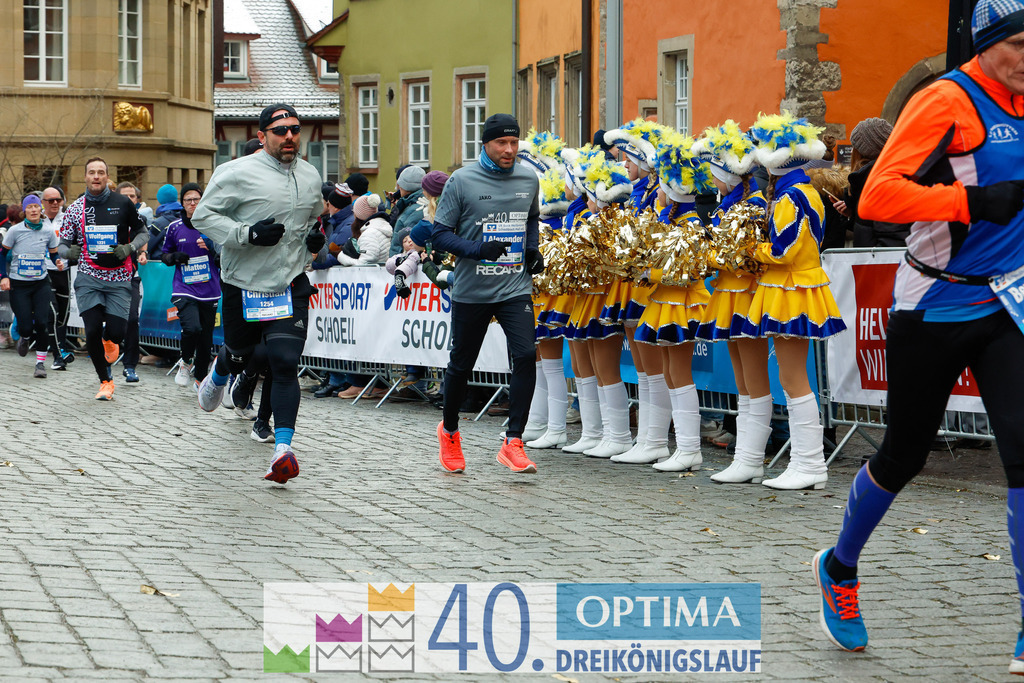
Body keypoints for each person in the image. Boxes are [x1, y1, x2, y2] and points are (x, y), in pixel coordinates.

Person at [812, 1, 1024, 669]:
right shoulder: (945, 100)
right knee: (903, 453)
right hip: (934, 301)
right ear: (986, 46)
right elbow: (877, 198)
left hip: (1006, 304)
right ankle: (839, 567)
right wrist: (971, 203)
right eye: (1017, 45)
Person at [192, 103, 324, 485]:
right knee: (240, 354)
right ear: (263, 135)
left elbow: (312, 218)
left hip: (290, 282)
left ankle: (283, 449)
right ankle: (221, 370)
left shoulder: (311, 175)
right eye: (280, 131)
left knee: (284, 362)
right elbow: (203, 216)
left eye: (295, 130)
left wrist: (314, 239)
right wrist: (246, 234)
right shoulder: (235, 172)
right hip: (244, 284)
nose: (289, 137)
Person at [432, 113, 543, 474]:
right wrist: (477, 250)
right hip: (472, 290)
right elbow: (439, 235)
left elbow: (530, 219)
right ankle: (449, 432)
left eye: (514, 143)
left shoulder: (528, 178)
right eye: (502, 143)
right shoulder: (462, 181)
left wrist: (531, 250)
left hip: (514, 286)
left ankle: (513, 441)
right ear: (486, 143)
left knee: (526, 354)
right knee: (461, 365)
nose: (510, 150)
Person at [58, 157, 149, 400]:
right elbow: (62, 245)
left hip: (119, 278)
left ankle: (111, 341)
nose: (96, 176)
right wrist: (69, 252)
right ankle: (106, 382)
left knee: (117, 332)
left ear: (107, 177)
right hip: (89, 276)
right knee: (92, 330)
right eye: (91, 172)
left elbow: (142, 232)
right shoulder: (76, 209)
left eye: (100, 172)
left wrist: (130, 249)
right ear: (85, 177)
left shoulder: (122, 203)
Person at [153, 183, 220, 388]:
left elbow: (224, 254)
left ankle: (200, 379)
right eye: (187, 200)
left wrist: (210, 247)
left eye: (196, 199)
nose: (192, 203)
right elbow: (163, 255)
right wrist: (174, 257)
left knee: (206, 336)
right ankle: (186, 361)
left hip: (210, 288)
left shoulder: (213, 225)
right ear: (182, 203)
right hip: (184, 287)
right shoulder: (174, 227)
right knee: (192, 328)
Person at [0, 194, 64, 378]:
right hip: (19, 285)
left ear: (40, 209)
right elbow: (2, 254)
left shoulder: (48, 231)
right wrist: (4, 277)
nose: (34, 210)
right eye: (30, 207)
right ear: (25, 211)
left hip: (40, 283)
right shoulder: (15, 231)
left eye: (36, 206)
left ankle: (40, 364)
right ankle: (25, 336)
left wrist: (57, 260)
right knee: (26, 326)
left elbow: (53, 253)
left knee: (43, 322)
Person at [116, 181, 149, 383]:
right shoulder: (107, 217)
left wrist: (143, 253)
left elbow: (143, 236)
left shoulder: (140, 219)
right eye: (125, 196)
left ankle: (129, 365)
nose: (129, 200)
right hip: (106, 276)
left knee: (132, 319)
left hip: (131, 276)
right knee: (111, 322)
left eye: (133, 196)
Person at [40, 186, 75, 368]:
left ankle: (57, 347)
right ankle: (58, 355)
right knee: (52, 314)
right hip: (43, 273)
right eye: (50, 200)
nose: (55, 203)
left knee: (63, 315)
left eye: (58, 200)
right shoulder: (37, 220)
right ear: (43, 203)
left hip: (63, 271)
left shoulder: (68, 219)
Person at [388, 166, 426, 256]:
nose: (398, 188)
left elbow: (408, 243)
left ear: (407, 187)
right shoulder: (410, 206)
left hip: (404, 264)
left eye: (400, 185)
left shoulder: (416, 210)